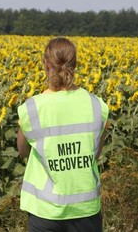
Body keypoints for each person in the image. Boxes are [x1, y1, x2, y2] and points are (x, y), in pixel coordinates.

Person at [16, 37, 109, 232]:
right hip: (85, 211)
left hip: (45, 211)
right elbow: (96, 153)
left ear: (46, 64)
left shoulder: (32, 108)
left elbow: (22, 151)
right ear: (74, 65)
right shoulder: (96, 106)